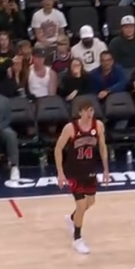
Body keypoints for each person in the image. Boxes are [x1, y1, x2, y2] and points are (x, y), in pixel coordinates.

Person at [55, 99, 110, 255]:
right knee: (81, 205)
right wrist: (60, 172)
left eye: (91, 110)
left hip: (90, 170)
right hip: (73, 172)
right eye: (86, 110)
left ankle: (72, 218)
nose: (89, 113)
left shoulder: (98, 126)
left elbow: (102, 147)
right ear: (80, 112)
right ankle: (77, 239)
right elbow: (58, 149)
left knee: (90, 202)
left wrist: (106, 169)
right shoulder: (70, 128)